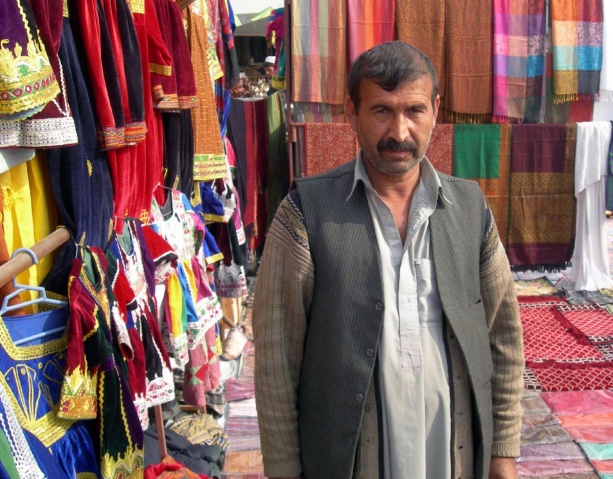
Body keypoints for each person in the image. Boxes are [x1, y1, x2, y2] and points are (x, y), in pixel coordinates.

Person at [253, 41, 524, 479]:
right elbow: (275, 362)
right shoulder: (305, 212)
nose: (399, 132)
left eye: (414, 110)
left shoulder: (471, 209)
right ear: (350, 112)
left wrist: (504, 452)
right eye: (381, 110)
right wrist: (285, 471)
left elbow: (504, 337)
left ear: (435, 110)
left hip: (453, 458)